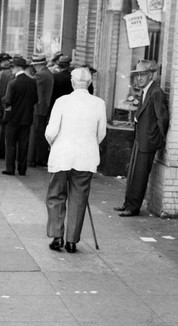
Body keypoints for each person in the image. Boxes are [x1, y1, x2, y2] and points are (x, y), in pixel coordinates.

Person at [45, 67, 107, 253]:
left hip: (62, 154)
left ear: (72, 82)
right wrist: (90, 145)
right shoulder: (99, 103)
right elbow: (101, 133)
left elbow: (51, 131)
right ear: (89, 83)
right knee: (79, 198)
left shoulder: (62, 101)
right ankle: (72, 240)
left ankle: (57, 236)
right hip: (86, 157)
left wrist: (53, 144)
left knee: (56, 195)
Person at [114, 59, 169, 217]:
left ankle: (133, 207)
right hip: (140, 138)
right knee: (132, 173)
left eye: (143, 74)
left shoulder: (156, 92)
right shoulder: (146, 91)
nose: (139, 78)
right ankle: (128, 204)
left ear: (152, 75)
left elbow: (162, 118)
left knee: (139, 175)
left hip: (148, 141)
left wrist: (158, 138)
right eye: (137, 75)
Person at [1, 57, 38, 176]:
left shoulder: (13, 83)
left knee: (10, 144)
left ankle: (10, 168)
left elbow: (7, 100)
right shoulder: (32, 82)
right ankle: (22, 169)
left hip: (13, 118)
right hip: (27, 118)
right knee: (24, 144)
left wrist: (3, 101)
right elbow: (35, 99)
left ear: (17, 67)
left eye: (12, 67)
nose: (11, 69)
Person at [28, 54, 54, 167]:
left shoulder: (40, 75)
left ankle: (32, 158)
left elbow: (30, 83)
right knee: (41, 133)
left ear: (37, 65)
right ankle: (41, 157)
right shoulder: (48, 73)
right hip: (44, 107)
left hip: (38, 108)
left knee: (34, 134)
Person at [0, 53, 14, 158]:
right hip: (4, 104)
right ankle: (0, 149)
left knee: (2, 128)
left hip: (2, 104)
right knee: (3, 128)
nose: (7, 62)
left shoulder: (2, 74)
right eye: (5, 61)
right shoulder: (4, 74)